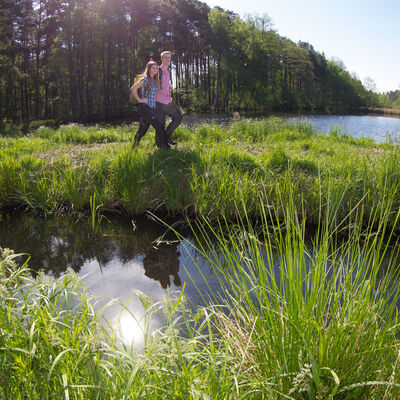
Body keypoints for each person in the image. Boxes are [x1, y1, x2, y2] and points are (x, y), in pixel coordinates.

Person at [130, 61, 169, 149]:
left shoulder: (155, 81)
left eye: (156, 68)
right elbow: (133, 89)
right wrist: (140, 100)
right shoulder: (145, 79)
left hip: (151, 108)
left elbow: (161, 89)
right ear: (149, 69)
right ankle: (165, 148)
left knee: (143, 129)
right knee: (159, 126)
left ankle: (134, 147)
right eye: (153, 68)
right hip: (145, 108)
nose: (155, 70)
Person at [155, 51, 182, 145]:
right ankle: (160, 144)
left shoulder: (169, 71)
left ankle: (166, 136)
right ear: (162, 59)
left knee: (178, 117)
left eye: (169, 58)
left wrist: (169, 86)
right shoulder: (158, 70)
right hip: (158, 101)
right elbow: (152, 82)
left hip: (167, 100)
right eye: (165, 57)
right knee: (160, 124)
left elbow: (165, 83)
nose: (168, 59)